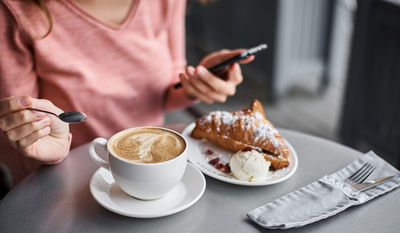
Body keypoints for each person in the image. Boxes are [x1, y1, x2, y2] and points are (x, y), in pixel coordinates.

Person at [0, 0, 254, 188]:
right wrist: (48, 149)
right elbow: (17, 131)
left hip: (153, 170)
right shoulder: (16, 11)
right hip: (62, 181)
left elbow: (166, 89)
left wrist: (196, 83)